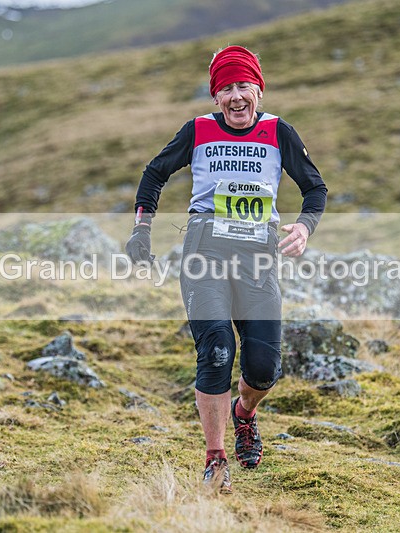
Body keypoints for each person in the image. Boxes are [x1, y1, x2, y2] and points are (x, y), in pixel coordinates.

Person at [125, 45, 327, 493]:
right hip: (205, 253)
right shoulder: (196, 131)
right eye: (226, 89)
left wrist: (305, 228)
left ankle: (245, 413)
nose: (236, 97)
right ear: (215, 97)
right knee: (216, 348)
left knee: (263, 369)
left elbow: (315, 189)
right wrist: (142, 231)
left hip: (258, 258)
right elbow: (153, 174)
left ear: (258, 89)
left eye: (243, 86)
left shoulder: (279, 133)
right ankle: (215, 459)